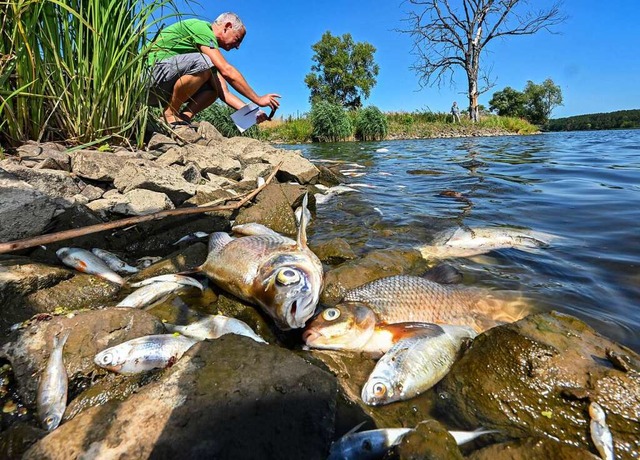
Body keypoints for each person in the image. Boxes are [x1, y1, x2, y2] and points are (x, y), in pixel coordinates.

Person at [147, 12, 280, 128]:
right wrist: (258, 99)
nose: (238, 46)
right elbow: (227, 70)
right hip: (147, 79)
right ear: (227, 27)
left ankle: (184, 118)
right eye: (238, 39)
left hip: (160, 89)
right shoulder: (201, 28)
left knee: (215, 87)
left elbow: (224, 93)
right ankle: (169, 114)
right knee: (204, 62)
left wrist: (253, 114)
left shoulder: (206, 53)